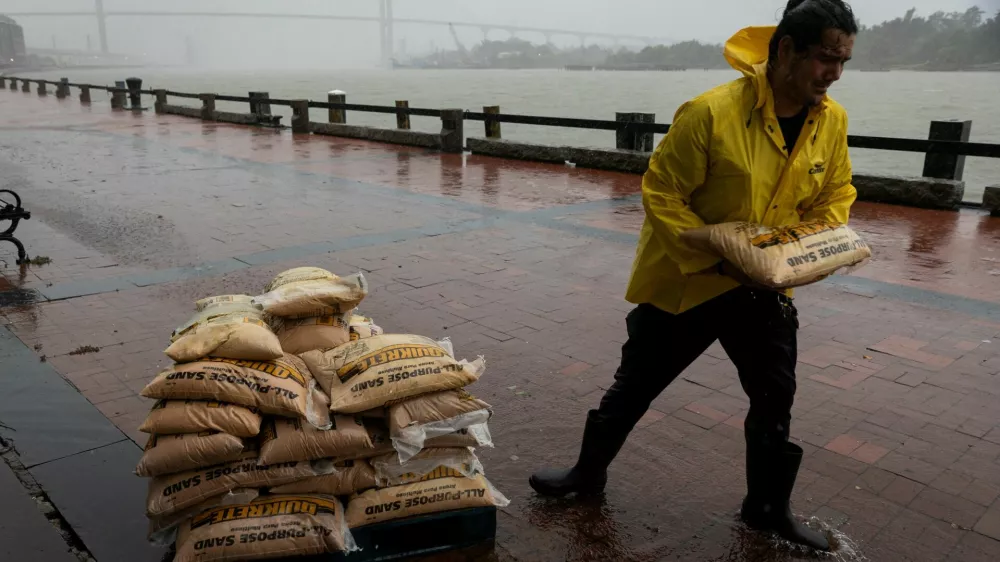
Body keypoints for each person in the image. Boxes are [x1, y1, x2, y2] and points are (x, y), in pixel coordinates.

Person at [529, 0, 859, 552]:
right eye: (826, 59)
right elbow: (662, 193)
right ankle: (585, 476)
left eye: (844, 62)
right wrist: (718, 256)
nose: (835, 74)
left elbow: (836, 194)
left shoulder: (833, 120)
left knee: (775, 396)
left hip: (765, 289)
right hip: (691, 282)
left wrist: (814, 248)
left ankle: (768, 508)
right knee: (636, 384)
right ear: (785, 51)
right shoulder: (710, 113)